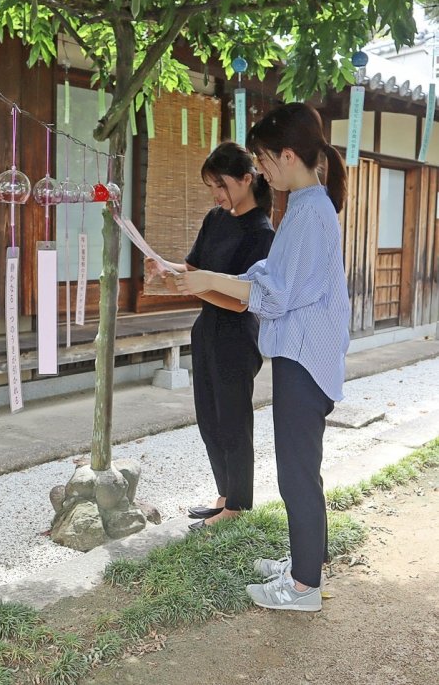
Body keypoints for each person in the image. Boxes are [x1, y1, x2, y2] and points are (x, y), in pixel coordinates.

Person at [173, 102, 351, 613]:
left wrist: (208, 279)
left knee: (296, 471)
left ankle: (303, 588)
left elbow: (273, 294)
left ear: (287, 154)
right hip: (301, 353)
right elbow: (271, 277)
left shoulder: (310, 212)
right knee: (302, 468)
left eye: (263, 158)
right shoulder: (304, 206)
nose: (261, 170)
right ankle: (305, 564)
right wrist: (216, 279)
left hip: (305, 357)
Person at [154, 142, 274, 532]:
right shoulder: (215, 218)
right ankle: (224, 495)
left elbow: (240, 301)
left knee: (233, 420)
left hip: (237, 334)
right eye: (211, 188)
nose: (217, 195)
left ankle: (238, 504)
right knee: (208, 417)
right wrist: (164, 267)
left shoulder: (261, 233)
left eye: (221, 185)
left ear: (246, 179)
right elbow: (192, 269)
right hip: (206, 328)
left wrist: (187, 285)